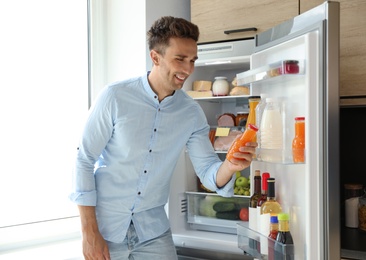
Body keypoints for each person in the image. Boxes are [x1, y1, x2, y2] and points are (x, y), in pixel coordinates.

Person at [69, 16, 257, 260]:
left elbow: (209, 173)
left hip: (153, 235)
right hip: (105, 230)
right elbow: (83, 160)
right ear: (155, 57)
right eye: (180, 59)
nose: (188, 70)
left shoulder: (191, 113)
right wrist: (89, 232)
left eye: (192, 60)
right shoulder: (115, 97)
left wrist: (230, 166)